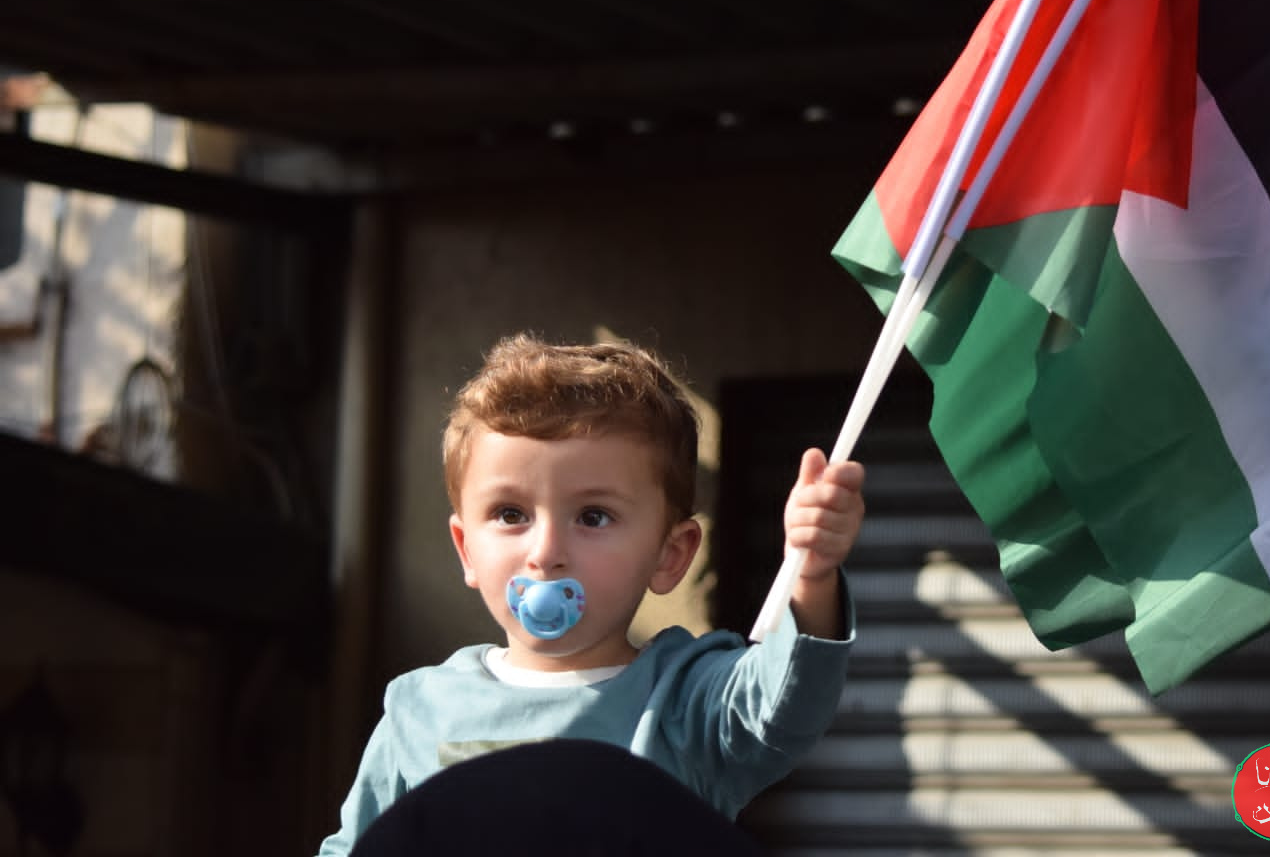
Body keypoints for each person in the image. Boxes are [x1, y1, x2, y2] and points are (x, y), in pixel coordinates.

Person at [317, 334, 865, 854]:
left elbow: (783, 705)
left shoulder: (687, 700)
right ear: (466, 550)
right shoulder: (420, 708)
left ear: (670, 554)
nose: (546, 552)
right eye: (510, 514)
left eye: (593, 516)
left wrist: (811, 572)